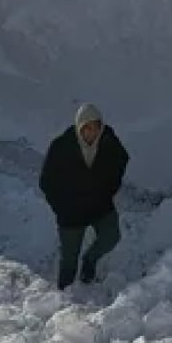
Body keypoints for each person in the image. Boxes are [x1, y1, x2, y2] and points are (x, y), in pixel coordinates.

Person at [38, 103, 130, 289]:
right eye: (86, 128)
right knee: (69, 258)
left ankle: (90, 260)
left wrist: (109, 190)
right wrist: (61, 206)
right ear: (79, 127)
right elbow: (47, 181)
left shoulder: (108, 141)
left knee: (111, 237)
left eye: (95, 128)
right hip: (71, 213)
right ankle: (64, 294)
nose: (91, 133)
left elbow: (122, 160)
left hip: (100, 206)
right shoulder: (62, 146)